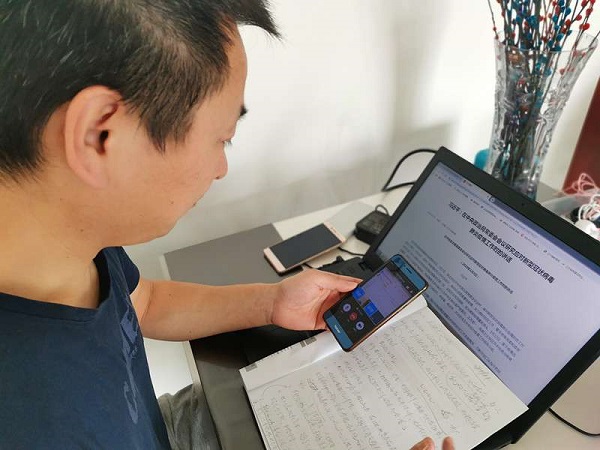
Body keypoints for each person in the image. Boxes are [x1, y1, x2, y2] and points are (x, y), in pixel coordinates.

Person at [0, 1, 455, 449]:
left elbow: (143, 303)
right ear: (99, 135)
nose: (221, 169)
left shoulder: (73, 245)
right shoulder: (34, 423)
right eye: (222, 139)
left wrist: (271, 302)